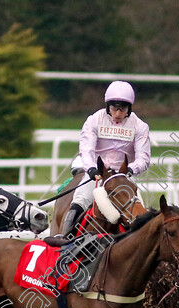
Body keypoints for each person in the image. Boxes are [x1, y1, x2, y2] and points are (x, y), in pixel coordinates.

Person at [60, 81, 152, 236]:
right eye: (114, 108)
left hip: (123, 177)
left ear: (129, 108)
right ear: (108, 106)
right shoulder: (94, 120)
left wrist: (131, 169)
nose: (117, 113)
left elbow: (143, 157)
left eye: (122, 109)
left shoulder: (140, 126)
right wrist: (90, 168)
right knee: (78, 202)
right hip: (98, 174)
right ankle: (64, 240)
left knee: (142, 215)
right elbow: (86, 149)